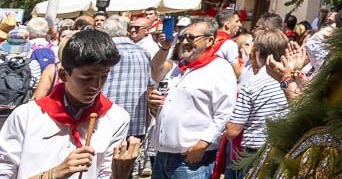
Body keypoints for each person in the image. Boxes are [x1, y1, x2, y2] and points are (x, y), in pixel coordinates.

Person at [0, 29, 139, 179]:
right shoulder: (26, 116)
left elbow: (105, 174)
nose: (96, 86)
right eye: (86, 78)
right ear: (63, 75)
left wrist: (120, 174)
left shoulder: (116, 118)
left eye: (103, 77)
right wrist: (54, 174)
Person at [146, 19, 236, 179]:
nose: (185, 41)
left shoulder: (220, 69)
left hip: (191, 159)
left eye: (191, 37)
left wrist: (203, 143)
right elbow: (155, 71)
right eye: (182, 37)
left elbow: (224, 112)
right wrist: (156, 106)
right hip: (162, 156)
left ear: (210, 40)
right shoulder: (179, 68)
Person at [222, 31, 290, 179]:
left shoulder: (253, 83)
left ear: (258, 52)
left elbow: (233, 130)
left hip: (255, 154)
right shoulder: (291, 81)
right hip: (283, 151)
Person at [98, 18, 152, 147]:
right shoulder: (144, 53)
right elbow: (150, 85)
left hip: (106, 118)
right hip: (136, 122)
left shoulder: (103, 53)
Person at [212, 12, 242, 80]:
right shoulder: (230, 45)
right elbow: (238, 74)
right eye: (237, 21)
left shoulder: (208, 40)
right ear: (227, 25)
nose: (240, 24)